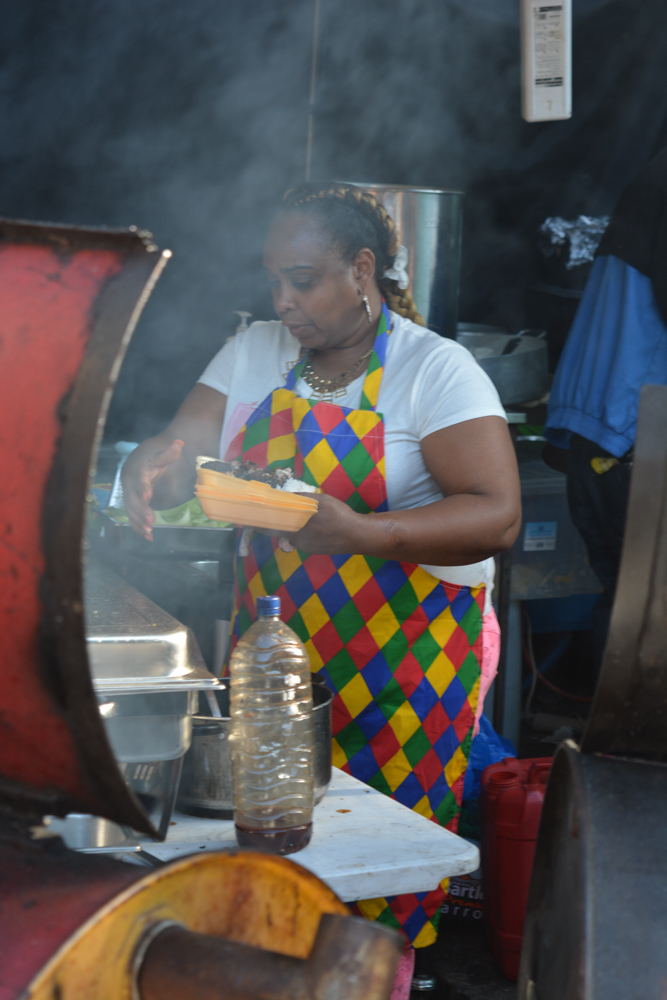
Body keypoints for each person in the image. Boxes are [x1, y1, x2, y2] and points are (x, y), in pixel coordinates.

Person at [122, 182, 520, 988]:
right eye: (273, 281)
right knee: (268, 859)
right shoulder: (254, 352)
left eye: (301, 281)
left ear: (362, 268)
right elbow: (182, 452)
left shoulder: (432, 370)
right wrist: (151, 466)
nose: (282, 301)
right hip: (276, 661)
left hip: (406, 669)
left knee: (378, 876)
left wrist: (363, 534)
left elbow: (497, 514)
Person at [545, 149, 667, 667]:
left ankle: (612, 744)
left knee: (632, 617)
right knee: (647, 629)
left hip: (609, 437)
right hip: (637, 442)